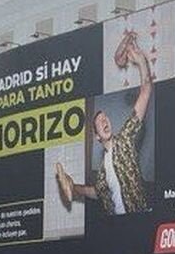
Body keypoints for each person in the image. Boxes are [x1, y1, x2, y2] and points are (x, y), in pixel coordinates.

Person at [55, 29, 154, 215]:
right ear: (97, 137)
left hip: (140, 220)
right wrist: (73, 187)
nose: (104, 120)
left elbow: (146, 90)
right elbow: (96, 192)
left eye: (105, 118)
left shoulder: (124, 138)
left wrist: (141, 63)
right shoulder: (102, 171)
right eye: (99, 121)